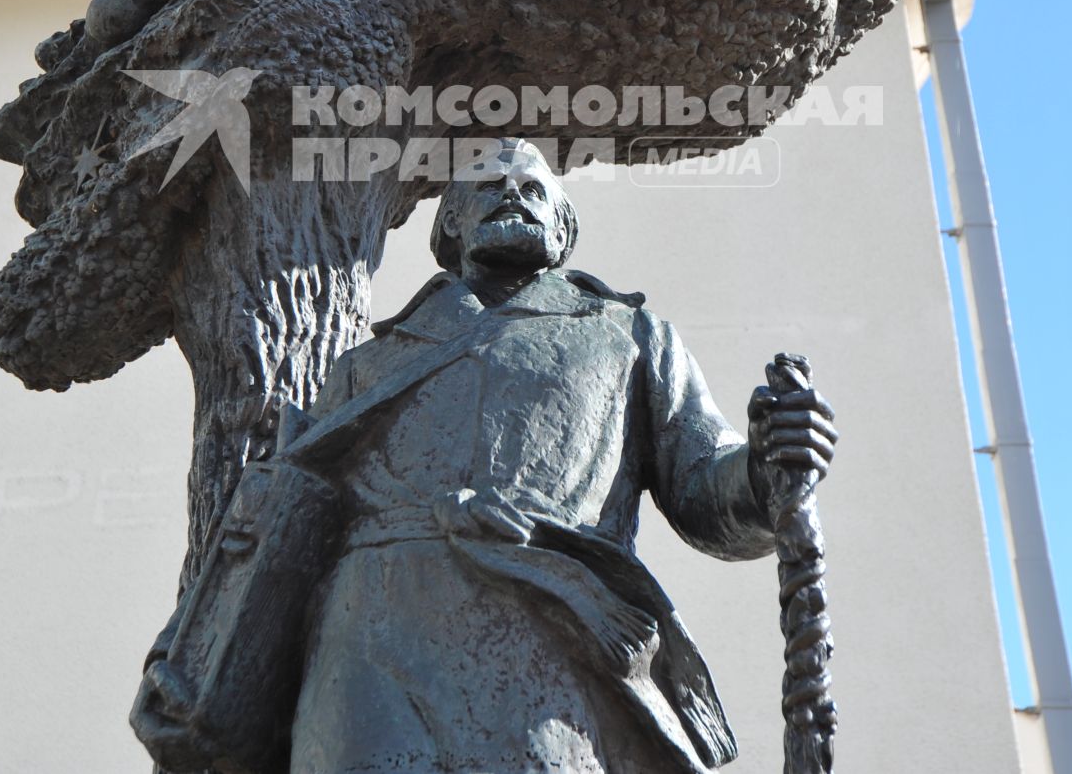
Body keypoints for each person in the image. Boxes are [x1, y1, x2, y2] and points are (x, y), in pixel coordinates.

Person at [283, 138, 837, 773]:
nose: (512, 194)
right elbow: (304, 521)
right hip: (370, 639)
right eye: (487, 186)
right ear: (451, 223)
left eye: (534, 189)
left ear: (563, 228)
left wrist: (768, 463)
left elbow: (705, 490)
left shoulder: (626, 335)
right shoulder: (368, 367)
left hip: (549, 629)